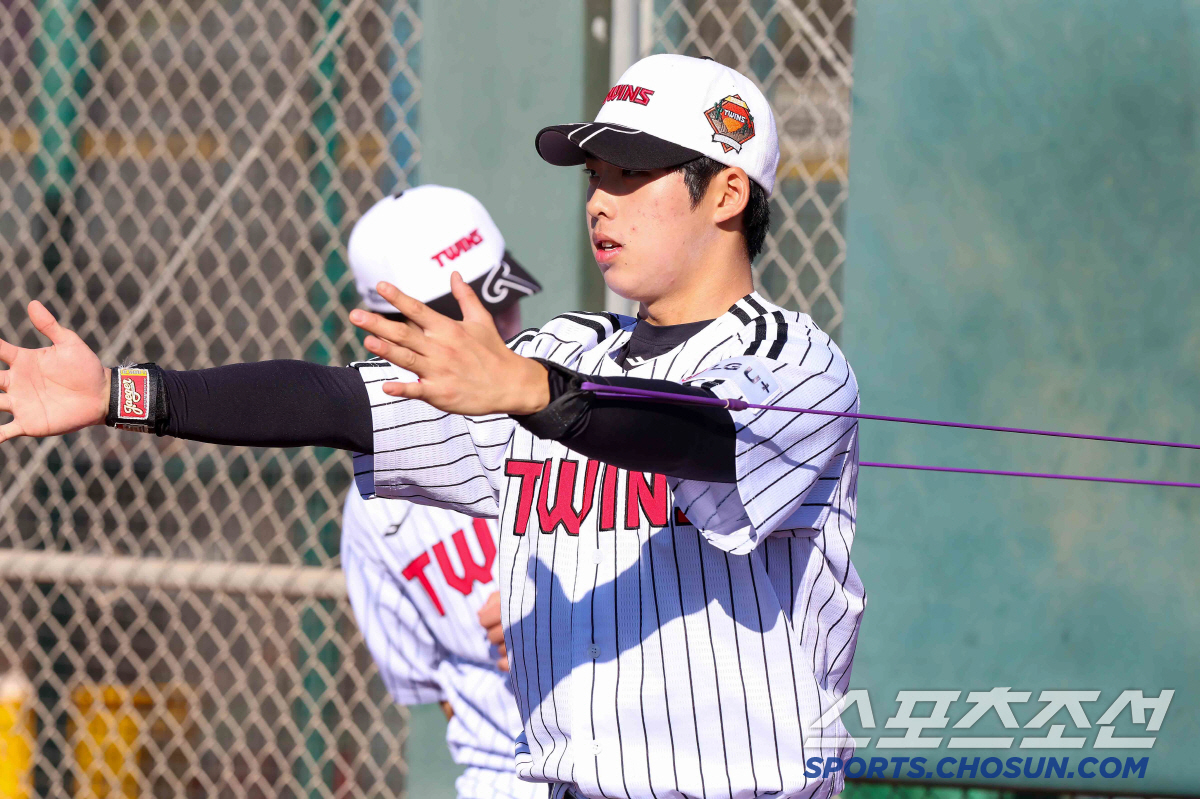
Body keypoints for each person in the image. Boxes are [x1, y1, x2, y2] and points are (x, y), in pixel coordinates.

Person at [0, 54, 863, 799]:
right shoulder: (562, 349)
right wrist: (123, 391)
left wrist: (534, 391)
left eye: (632, 173)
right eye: (595, 174)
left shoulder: (794, 361)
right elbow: (337, 402)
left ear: (726, 191)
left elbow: (699, 435)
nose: (601, 200)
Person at [340, 185, 542, 799]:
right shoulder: (375, 509)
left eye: (502, 304)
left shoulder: (587, 411)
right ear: (391, 332)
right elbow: (434, 688)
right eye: (467, 316)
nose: (499, 329)